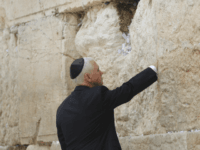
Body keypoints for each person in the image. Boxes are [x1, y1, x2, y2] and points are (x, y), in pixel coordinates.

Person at [56, 57, 158, 150]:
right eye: (97, 70)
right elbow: (127, 90)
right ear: (88, 77)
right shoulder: (98, 96)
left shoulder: (61, 110)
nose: (101, 72)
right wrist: (153, 70)